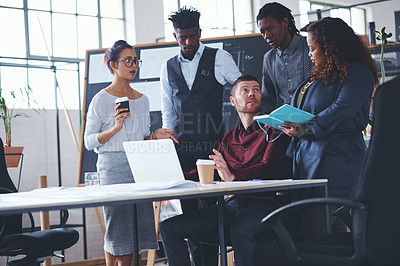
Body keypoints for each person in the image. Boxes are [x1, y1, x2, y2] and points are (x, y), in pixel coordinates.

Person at [159, 75, 293, 266]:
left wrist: (234, 176)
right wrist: (173, 177)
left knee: (240, 229)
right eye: (245, 90)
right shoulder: (229, 138)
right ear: (233, 101)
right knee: (169, 228)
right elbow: (212, 169)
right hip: (235, 206)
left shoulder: (274, 129)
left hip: (269, 204)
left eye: (256, 90)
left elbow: (268, 167)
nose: (252, 94)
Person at [279, 17, 379, 235]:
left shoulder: (358, 73)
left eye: (313, 49)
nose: (309, 54)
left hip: (335, 162)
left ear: (330, 48)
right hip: (307, 161)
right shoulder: (321, 75)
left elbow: (340, 110)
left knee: (322, 230)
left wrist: (303, 129)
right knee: (314, 231)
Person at [84, 40, 177, 266]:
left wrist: (154, 136)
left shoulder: (142, 101)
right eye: (127, 61)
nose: (133, 65)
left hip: (139, 167)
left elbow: (142, 137)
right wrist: (115, 127)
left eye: (135, 61)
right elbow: (88, 141)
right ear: (114, 65)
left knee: (134, 229)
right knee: (117, 227)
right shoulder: (101, 99)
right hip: (112, 168)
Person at [160, 6, 241, 265]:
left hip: (212, 148)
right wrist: (168, 146)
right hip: (183, 151)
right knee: (189, 214)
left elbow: (241, 89)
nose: (188, 42)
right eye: (182, 37)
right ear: (175, 36)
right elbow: (167, 110)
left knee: (212, 212)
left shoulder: (220, 58)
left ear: (200, 33)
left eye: (192, 36)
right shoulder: (168, 67)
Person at [256, 2, 313, 114]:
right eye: (263, 32)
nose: (267, 36)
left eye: (270, 28)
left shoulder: (310, 48)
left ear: (285, 22)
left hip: (312, 122)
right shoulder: (269, 58)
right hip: (282, 125)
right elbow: (268, 98)